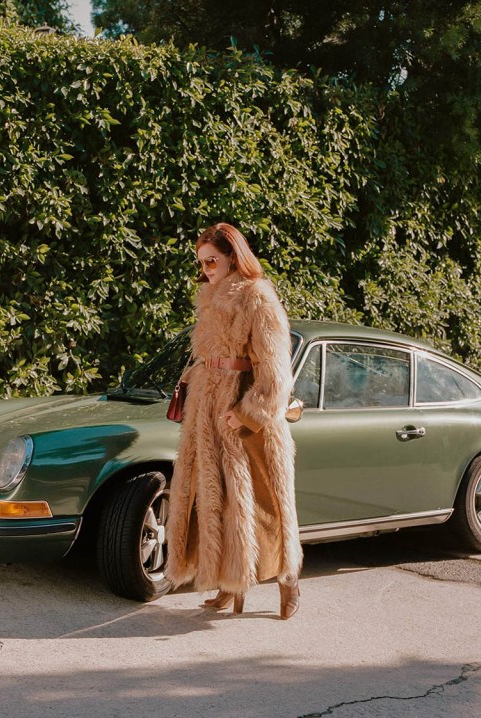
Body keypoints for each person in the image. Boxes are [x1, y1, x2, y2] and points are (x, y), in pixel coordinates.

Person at [166, 223, 303, 619]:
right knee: (217, 500)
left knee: (264, 505)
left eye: (212, 261)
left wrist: (247, 413)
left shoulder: (258, 297)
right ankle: (228, 583)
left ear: (233, 257)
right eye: (201, 263)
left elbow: (276, 371)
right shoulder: (210, 297)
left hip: (244, 417)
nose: (206, 269)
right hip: (210, 413)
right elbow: (211, 357)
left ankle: (289, 579)